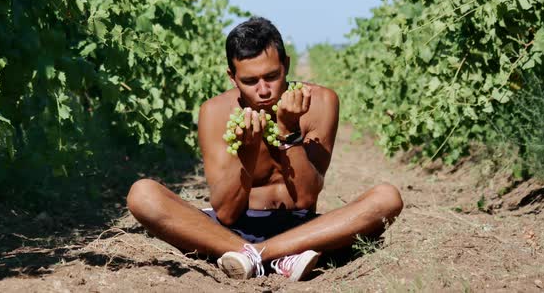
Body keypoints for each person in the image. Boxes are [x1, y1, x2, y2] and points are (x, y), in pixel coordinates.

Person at [127, 17, 403, 281]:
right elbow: (225, 214)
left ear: (286, 65)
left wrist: (289, 133)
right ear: (232, 76)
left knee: (387, 198)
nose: (263, 90)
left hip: (301, 230)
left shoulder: (320, 102)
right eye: (250, 81)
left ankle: (255, 256)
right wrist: (245, 161)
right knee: (143, 194)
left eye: (272, 76)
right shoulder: (215, 112)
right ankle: (278, 258)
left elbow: (306, 198)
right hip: (230, 230)